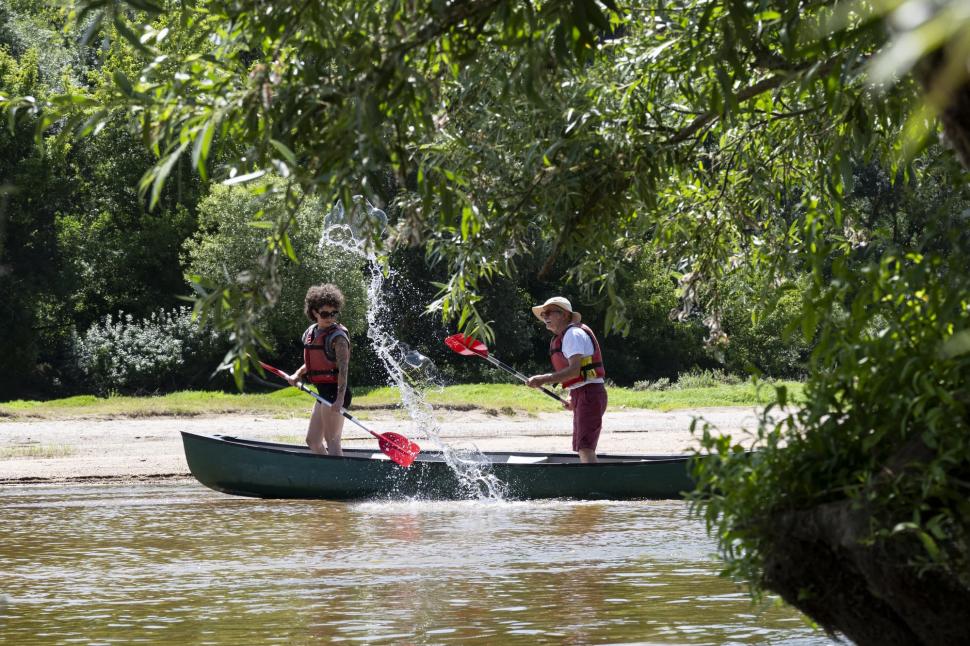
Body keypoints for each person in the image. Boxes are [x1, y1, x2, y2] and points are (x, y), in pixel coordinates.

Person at [526, 296, 607, 463]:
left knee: (585, 446)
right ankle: (591, 479)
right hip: (582, 393)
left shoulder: (572, 334)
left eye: (548, 312)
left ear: (563, 315)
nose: (545, 317)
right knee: (582, 446)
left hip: (589, 394)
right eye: (543, 314)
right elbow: (577, 375)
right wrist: (572, 396)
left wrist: (543, 379)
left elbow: (574, 370)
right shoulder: (567, 335)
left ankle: (594, 483)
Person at [285, 284, 352, 456]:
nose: (330, 318)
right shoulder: (312, 332)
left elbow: (343, 370)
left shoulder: (338, 338)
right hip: (323, 394)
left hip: (336, 393)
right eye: (325, 314)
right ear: (314, 312)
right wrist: (296, 375)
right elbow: (314, 363)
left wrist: (339, 398)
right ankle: (328, 473)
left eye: (333, 313)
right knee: (313, 441)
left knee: (333, 441)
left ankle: (338, 480)